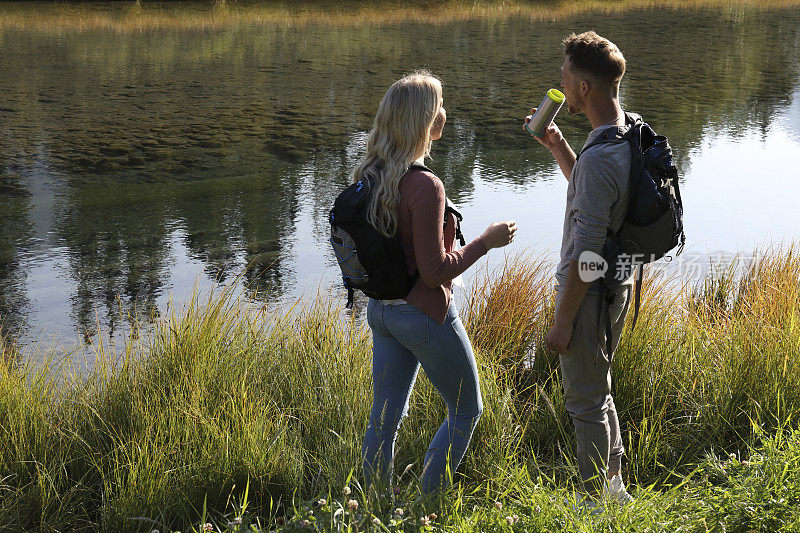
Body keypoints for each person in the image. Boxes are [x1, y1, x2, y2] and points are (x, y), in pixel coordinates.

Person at [359, 71, 516, 494]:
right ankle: (426, 508)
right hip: (423, 315)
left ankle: (373, 506)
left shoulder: (370, 174)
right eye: (439, 106)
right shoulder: (426, 185)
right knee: (467, 411)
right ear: (426, 122)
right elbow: (434, 272)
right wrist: (486, 241)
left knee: (384, 418)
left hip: (381, 312)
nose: (445, 113)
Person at [525, 31, 635, 506]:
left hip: (588, 292)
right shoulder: (626, 131)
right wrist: (559, 149)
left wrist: (563, 320)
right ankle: (614, 491)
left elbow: (587, 253)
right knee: (600, 387)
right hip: (619, 284)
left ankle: (594, 502)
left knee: (584, 401)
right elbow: (598, 203)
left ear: (583, 89)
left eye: (565, 78)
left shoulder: (599, 159)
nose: (561, 86)